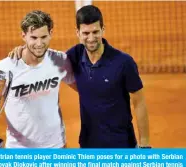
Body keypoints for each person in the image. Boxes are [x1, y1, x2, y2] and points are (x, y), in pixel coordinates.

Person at [8, 5, 151, 148]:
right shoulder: (73, 56)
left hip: (122, 144)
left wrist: (145, 143)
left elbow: (139, 102)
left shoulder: (123, 62)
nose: (91, 38)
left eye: (95, 32)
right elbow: (44, 56)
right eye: (86, 33)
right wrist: (24, 49)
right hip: (88, 144)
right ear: (78, 32)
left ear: (103, 29)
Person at [0, 10, 76, 148]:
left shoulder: (59, 60)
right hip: (19, 150)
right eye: (34, 38)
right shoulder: (5, 67)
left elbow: (82, 88)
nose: (39, 43)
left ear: (51, 34)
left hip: (55, 147)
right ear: (23, 36)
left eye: (43, 37)